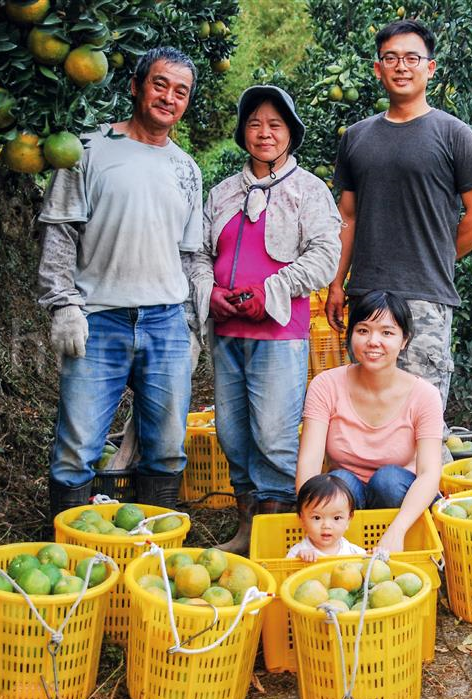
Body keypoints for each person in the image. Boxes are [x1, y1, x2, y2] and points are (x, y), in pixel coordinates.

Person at [38, 47, 202, 525]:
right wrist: (63, 305)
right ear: (135, 86)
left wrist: (192, 324)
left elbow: (190, 256)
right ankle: (73, 548)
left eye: (181, 91)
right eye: (159, 84)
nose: (168, 98)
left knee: (167, 448)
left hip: (166, 321)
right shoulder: (87, 150)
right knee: (78, 448)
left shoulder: (186, 170)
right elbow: (59, 230)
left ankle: (152, 546)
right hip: (98, 319)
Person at [190, 85, 341, 554]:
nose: (264, 133)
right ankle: (246, 530)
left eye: (275, 124)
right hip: (227, 332)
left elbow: (325, 256)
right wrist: (210, 292)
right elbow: (196, 253)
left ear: (290, 134)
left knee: (274, 437)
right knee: (234, 435)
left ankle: (277, 537)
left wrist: (269, 291)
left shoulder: (308, 190)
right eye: (254, 123)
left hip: (277, 333)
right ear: (243, 132)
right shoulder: (222, 192)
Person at [325, 19, 472, 409]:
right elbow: (347, 216)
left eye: (411, 58)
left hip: (426, 299)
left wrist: (435, 256)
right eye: (391, 58)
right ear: (377, 68)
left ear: (430, 68)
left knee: (421, 417)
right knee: (367, 414)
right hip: (366, 297)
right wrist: (337, 282)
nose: (401, 66)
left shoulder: (454, 134)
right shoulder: (356, 137)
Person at [296, 290, 443, 553]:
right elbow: (309, 460)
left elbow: (430, 473)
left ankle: (401, 542)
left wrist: (396, 530)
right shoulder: (325, 385)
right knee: (340, 479)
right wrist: (311, 516)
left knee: (386, 480)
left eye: (387, 333)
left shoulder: (425, 396)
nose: (373, 341)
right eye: (363, 330)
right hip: (347, 502)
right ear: (351, 335)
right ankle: (345, 548)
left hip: (398, 497)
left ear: (404, 340)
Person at [286, 474, 367, 562]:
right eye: (317, 518)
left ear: (348, 519)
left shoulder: (354, 553)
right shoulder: (297, 552)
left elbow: (369, 567)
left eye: (336, 518)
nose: (326, 525)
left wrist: (377, 554)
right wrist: (298, 561)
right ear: (302, 519)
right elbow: (286, 574)